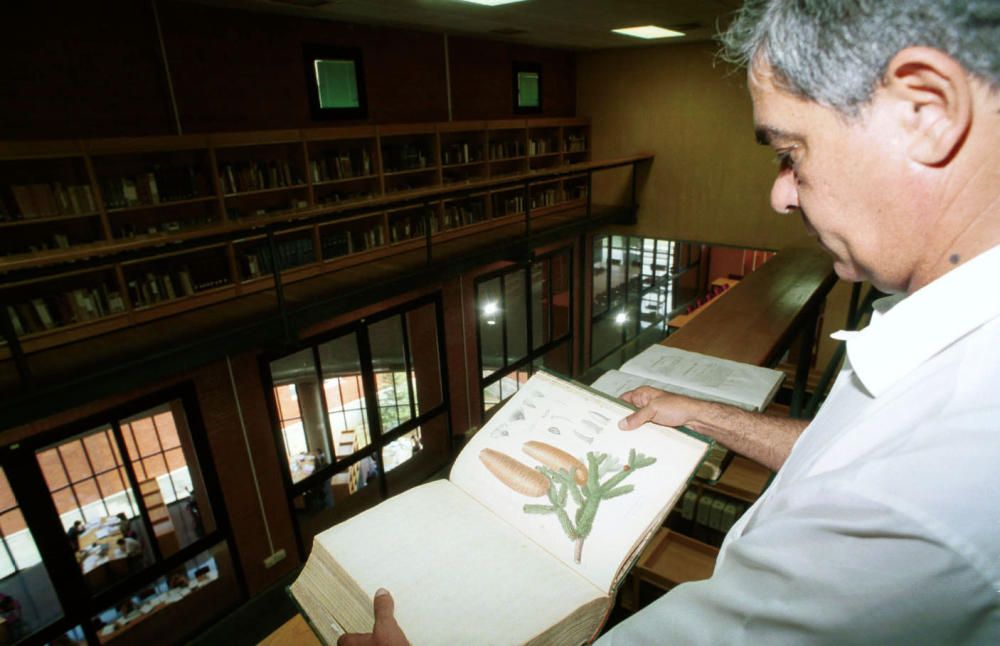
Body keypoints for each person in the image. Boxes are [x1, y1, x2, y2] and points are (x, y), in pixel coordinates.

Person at [339, 1, 1000, 643]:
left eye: (791, 152)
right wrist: (705, 415)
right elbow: (844, 458)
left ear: (926, 111)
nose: (780, 193)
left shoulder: (920, 501)